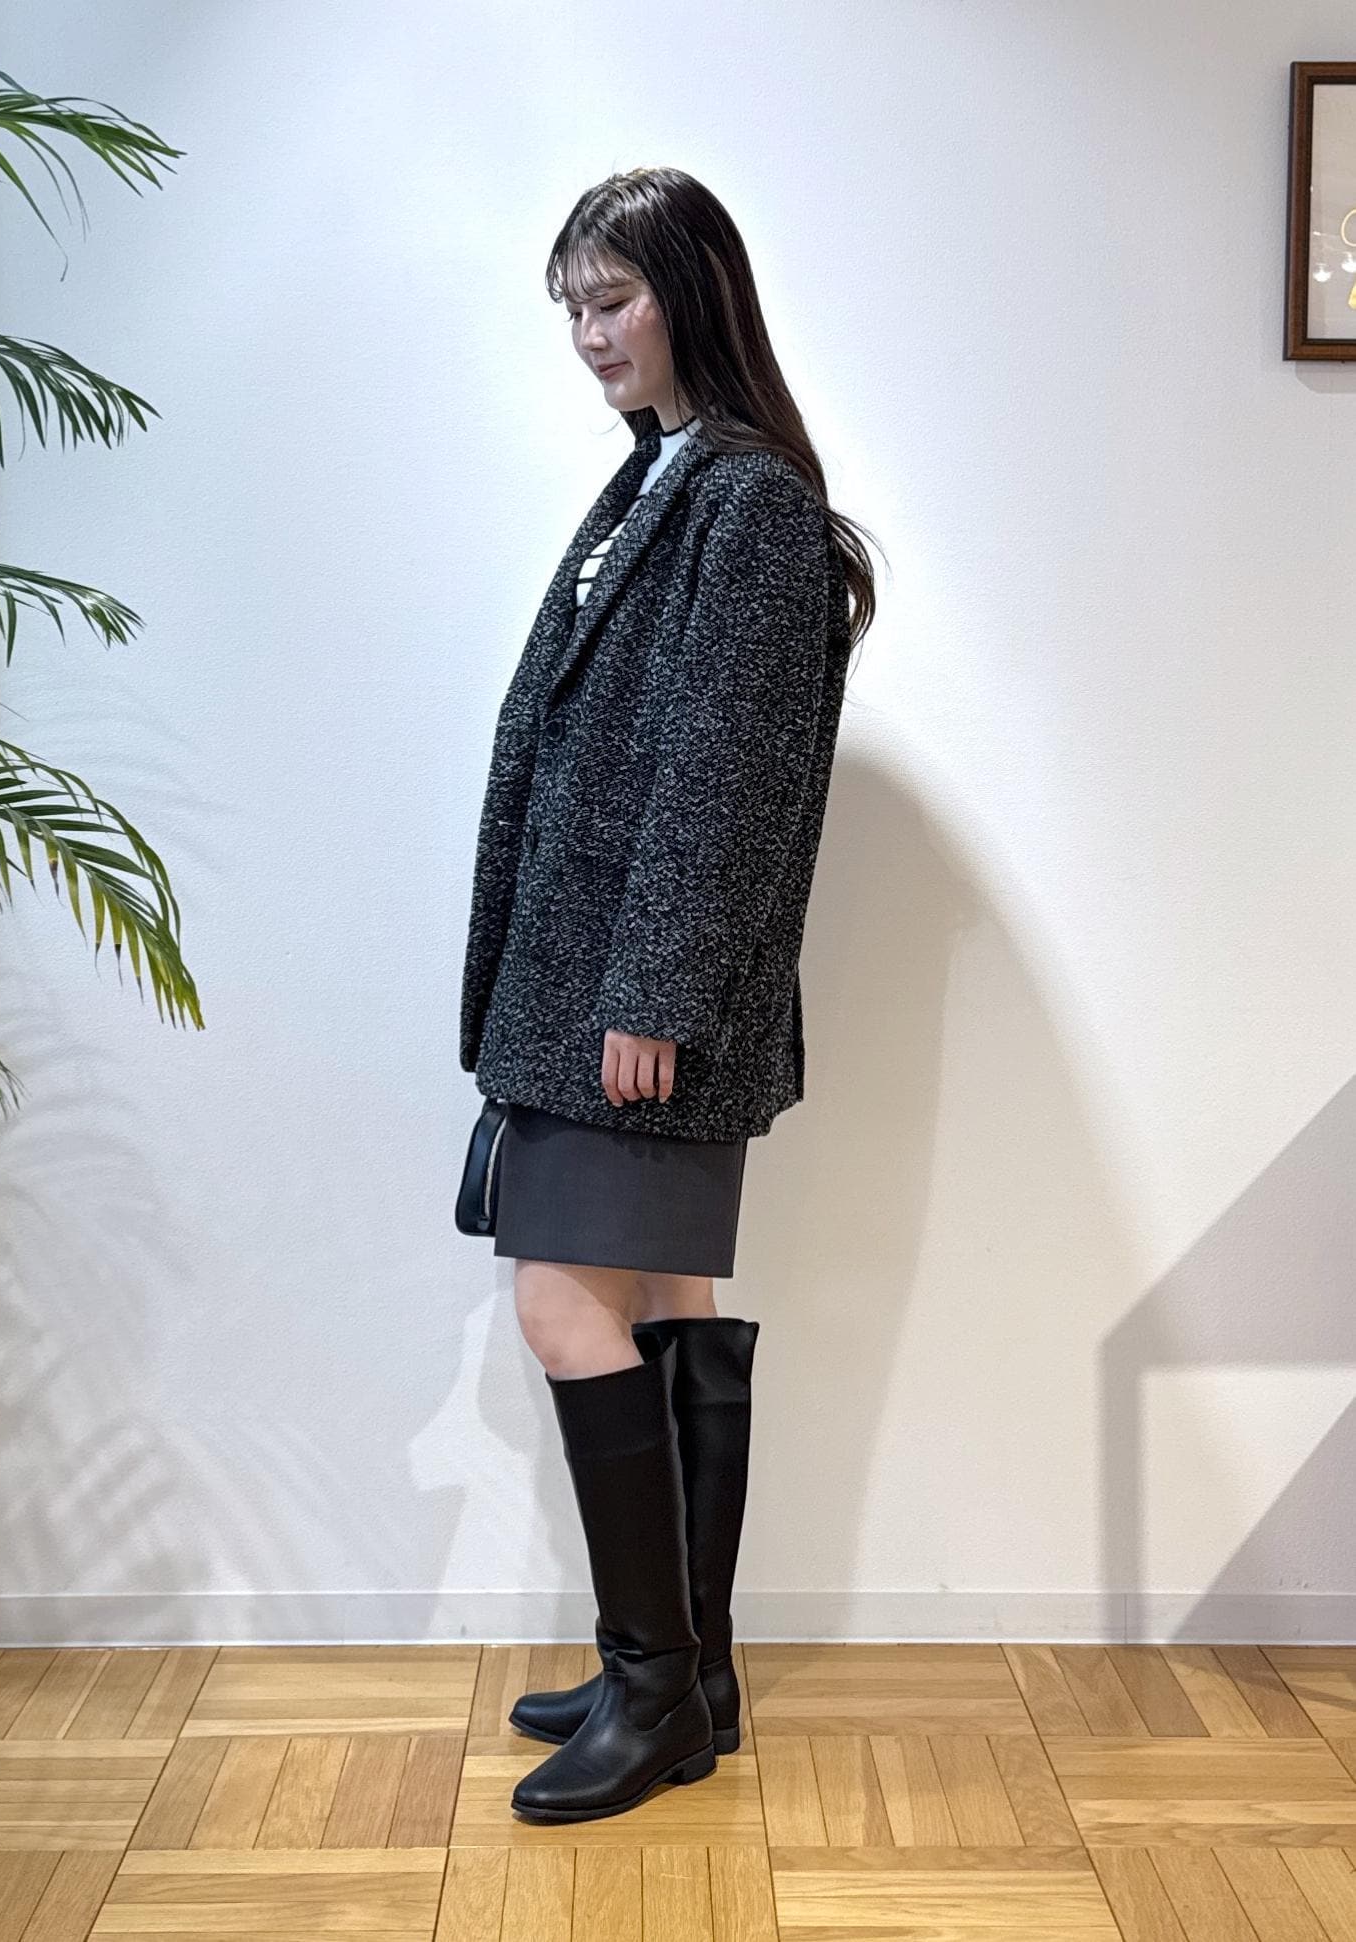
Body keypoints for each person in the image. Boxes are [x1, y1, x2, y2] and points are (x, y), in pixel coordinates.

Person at [457, 166, 878, 1825]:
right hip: (612, 986)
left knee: (568, 1307)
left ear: (695, 291)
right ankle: (687, 1674)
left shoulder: (746, 501)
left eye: (613, 298)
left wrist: (654, 989)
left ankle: (654, 1686)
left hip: (635, 1003)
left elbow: (722, 773)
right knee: (671, 1302)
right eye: (572, 306)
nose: (589, 334)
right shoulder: (667, 477)